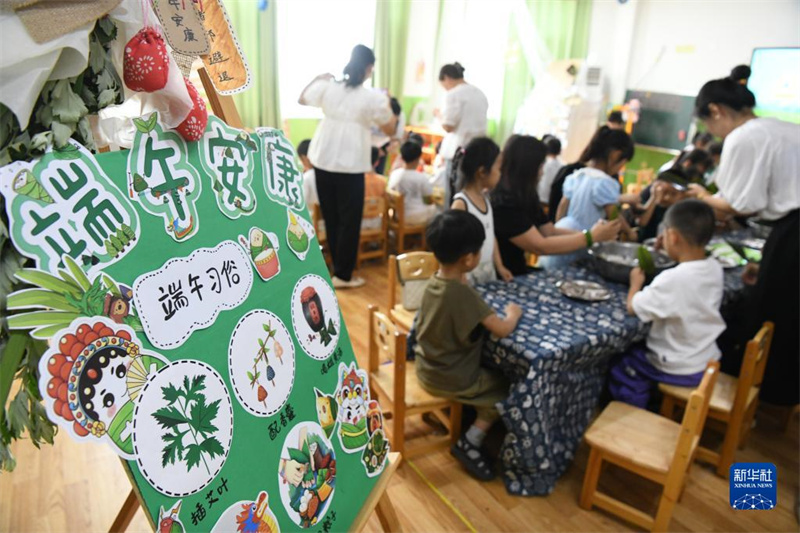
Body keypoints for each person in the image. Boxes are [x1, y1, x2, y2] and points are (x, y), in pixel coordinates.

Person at [689, 76, 799, 406]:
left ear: (716, 110)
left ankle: (754, 395)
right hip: (790, 229)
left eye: (708, 124)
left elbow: (740, 204)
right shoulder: (782, 128)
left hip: (794, 232)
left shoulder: (744, 137)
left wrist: (700, 198)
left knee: (770, 314)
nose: (713, 133)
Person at [414, 210, 522, 480]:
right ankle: (471, 440)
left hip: (426, 368)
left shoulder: (432, 284)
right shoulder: (464, 296)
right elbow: (502, 329)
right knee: (506, 390)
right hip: (452, 379)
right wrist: (513, 314)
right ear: (469, 259)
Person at [609, 199, 724, 408]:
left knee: (623, 364)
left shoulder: (674, 279)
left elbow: (633, 306)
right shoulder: (714, 267)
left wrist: (636, 283)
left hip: (677, 365)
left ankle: (635, 416)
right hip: (705, 359)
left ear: (672, 236)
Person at [299, 44, 397, 289]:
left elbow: (302, 99)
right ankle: (344, 275)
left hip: (322, 158)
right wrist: (387, 103)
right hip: (350, 164)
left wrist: (316, 78)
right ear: (367, 68)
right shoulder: (372, 97)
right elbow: (390, 129)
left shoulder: (329, 87)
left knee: (331, 217)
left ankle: (336, 268)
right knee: (349, 221)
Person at [492, 135, 621, 275]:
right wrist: (590, 237)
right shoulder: (503, 201)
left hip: (518, 269)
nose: (542, 173)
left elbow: (549, 232)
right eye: (540, 167)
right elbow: (539, 246)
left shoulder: (526, 193)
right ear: (527, 168)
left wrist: (596, 235)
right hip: (503, 274)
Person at [541, 127, 636, 269]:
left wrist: (559, 231)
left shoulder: (577, 175)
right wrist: (629, 233)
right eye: (623, 163)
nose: (621, 168)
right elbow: (614, 217)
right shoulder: (606, 183)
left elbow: (562, 207)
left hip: (564, 231)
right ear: (616, 155)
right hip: (585, 237)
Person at [450, 137, 512, 284]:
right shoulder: (461, 203)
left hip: (487, 270)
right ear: (482, 172)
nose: (500, 174)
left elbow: (491, 235)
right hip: (468, 274)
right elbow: (453, 245)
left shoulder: (486, 199)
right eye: (498, 169)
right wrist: (458, 273)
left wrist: (500, 266)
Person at [438, 62, 489, 205]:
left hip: (458, 152)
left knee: (453, 193)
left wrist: (438, 116)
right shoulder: (480, 93)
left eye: (444, 85)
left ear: (447, 78)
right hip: (477, 150)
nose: (445, 89)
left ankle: (451, 224)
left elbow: (448, 126)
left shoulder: (453, 94)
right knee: (469, 192)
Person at [388, 141, 436, 225]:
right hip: (416, 216)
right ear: (418, 158)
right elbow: (429, 199)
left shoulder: (395, 173)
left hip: (398, 215)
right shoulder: (421, 177)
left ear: (402, 157)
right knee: (436, 209)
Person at [373, 97, 405, 175]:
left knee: (378, 174)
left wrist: (383, 151)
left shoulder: (400, 117)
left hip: (383, 147)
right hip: (368, 147)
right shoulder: (374, 113)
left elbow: (397, 140)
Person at [537, 135, 564, 208]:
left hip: (539, 199)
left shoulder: (543, 163)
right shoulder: (563, 165)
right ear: (559, 150)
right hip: (552, 203)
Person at [297, 139, 317, 217]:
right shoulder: (330, 175)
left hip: (313, 220)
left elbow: (301, 205)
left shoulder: (307, 177)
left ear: (304, 158)